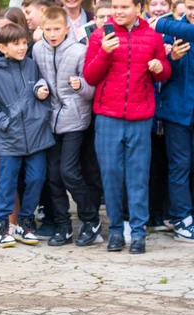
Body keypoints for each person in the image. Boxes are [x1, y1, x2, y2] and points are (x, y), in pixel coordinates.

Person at [84, 0, 172, 254]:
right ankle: (115, 231)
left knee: (138, 177)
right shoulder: (101, 35)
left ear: (138, 7)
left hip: (140, 118)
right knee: (110, 176)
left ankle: (138, 233)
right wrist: (104, 52)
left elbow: (165, 73)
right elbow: (89, 76)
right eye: (116, 7)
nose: (118, 12)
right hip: (108, 117)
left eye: (124, 6)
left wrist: (160, 68)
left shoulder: (153, 37)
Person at [0, 23, 54, 248]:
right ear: (2, 47)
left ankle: (25, 223)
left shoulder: (32, 65)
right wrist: (3, 122)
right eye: (15, 44)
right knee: (7, 182)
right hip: (10, 137)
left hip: (37, 134)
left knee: (36, 178)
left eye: (24, 43)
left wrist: (41, 96)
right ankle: (1, 225)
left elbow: (41, 86)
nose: (22, 47)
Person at [32, 6, 99, 246]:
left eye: (57, 29)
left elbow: (91, 88)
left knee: (69, 172)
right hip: (49, 120)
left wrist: (80, 84)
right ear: (42, 29)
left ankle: (91, 219)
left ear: (67, 28)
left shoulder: (80, 50)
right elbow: (36, 76)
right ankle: (63, 225)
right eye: (48, 29)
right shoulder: (37, 49)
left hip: (75, 118)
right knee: (52, 176)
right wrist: (38, 88)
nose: (52, 34)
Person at [154, 0, 194, 242]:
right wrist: (173, 59)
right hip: (176, 111)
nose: (192, 12)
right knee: (180, 166)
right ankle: (181, 218)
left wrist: (158, 22)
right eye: (189, 7)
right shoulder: (170, 31)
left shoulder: (168, 27)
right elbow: (161, 73)